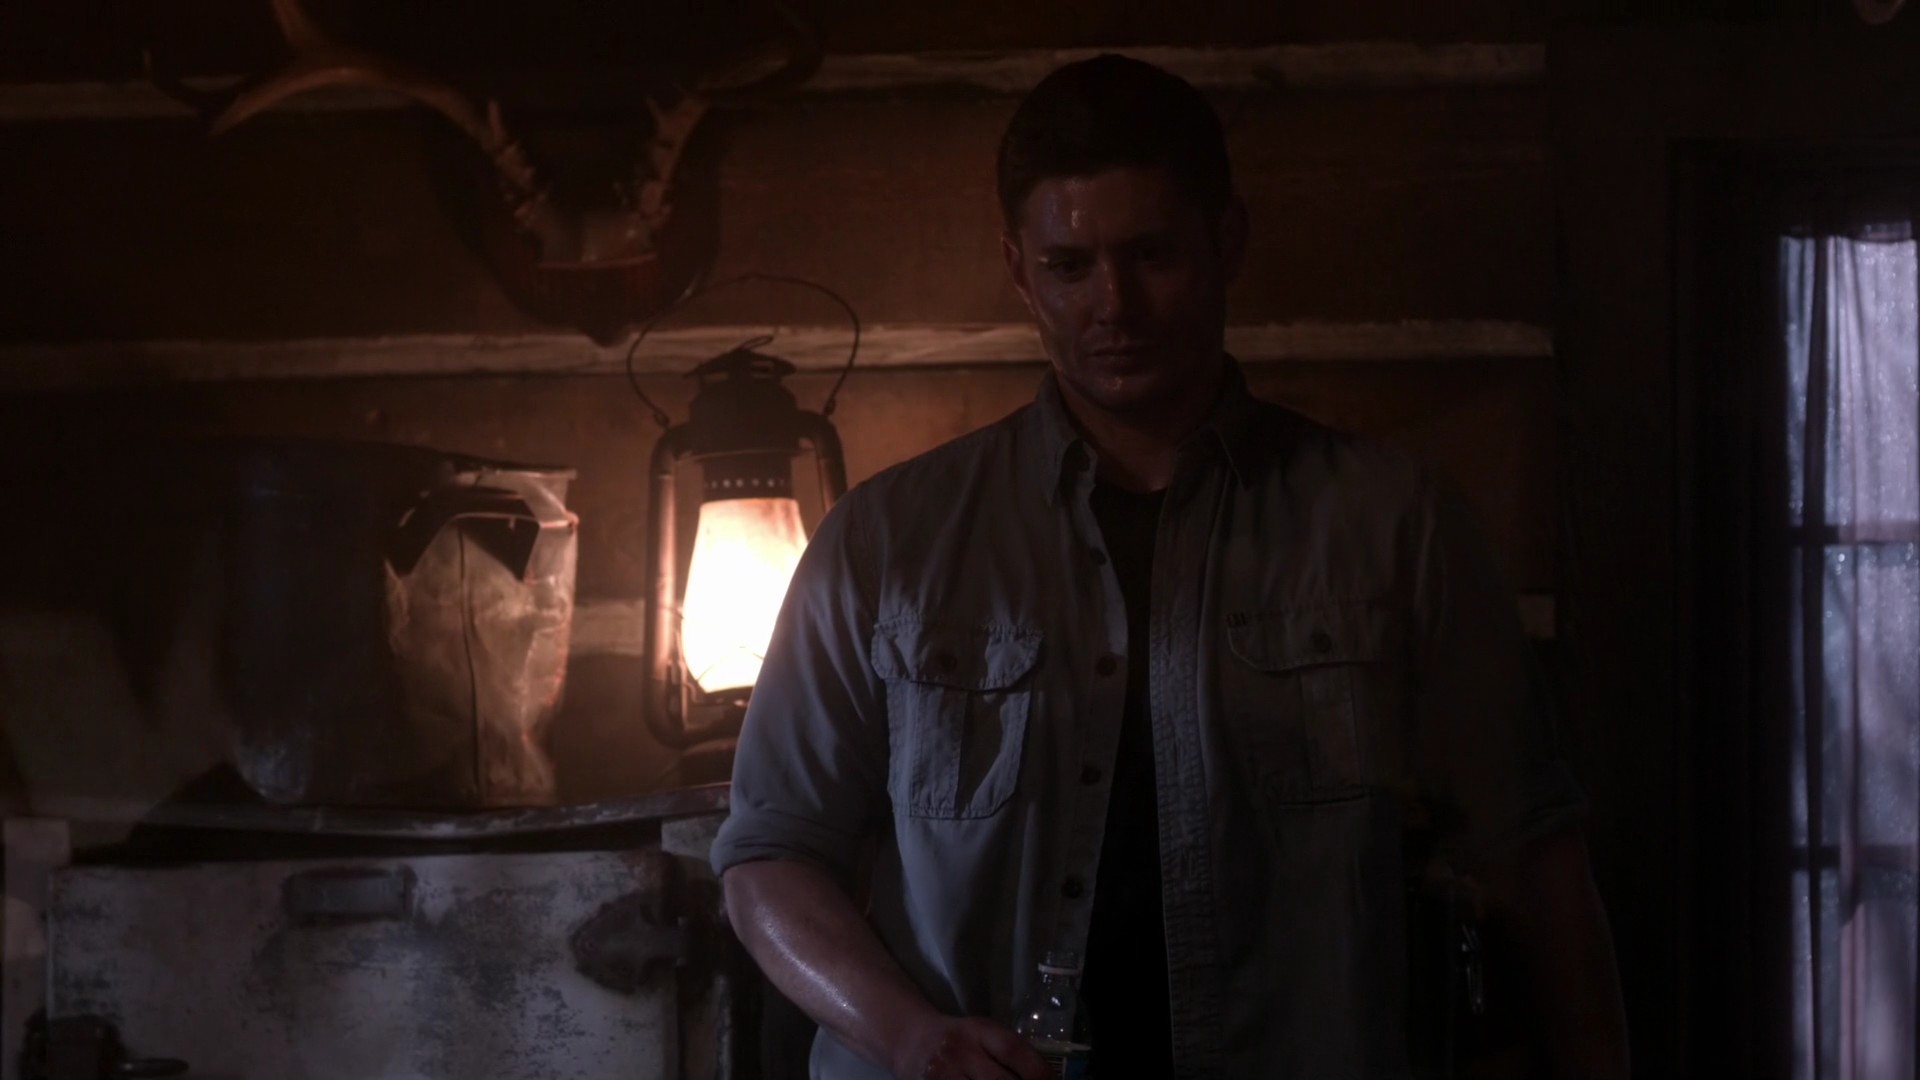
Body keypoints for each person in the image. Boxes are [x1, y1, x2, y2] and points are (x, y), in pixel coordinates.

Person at [711, 53, 1630, 1080]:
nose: (1115, 305)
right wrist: (911, 1037)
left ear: (1226, 241)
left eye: (1151, 255)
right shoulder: (886, 543)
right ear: (1019, 269)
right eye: (1070, 266)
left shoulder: (1390, 525)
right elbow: (767, 854)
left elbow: (1532, 849)